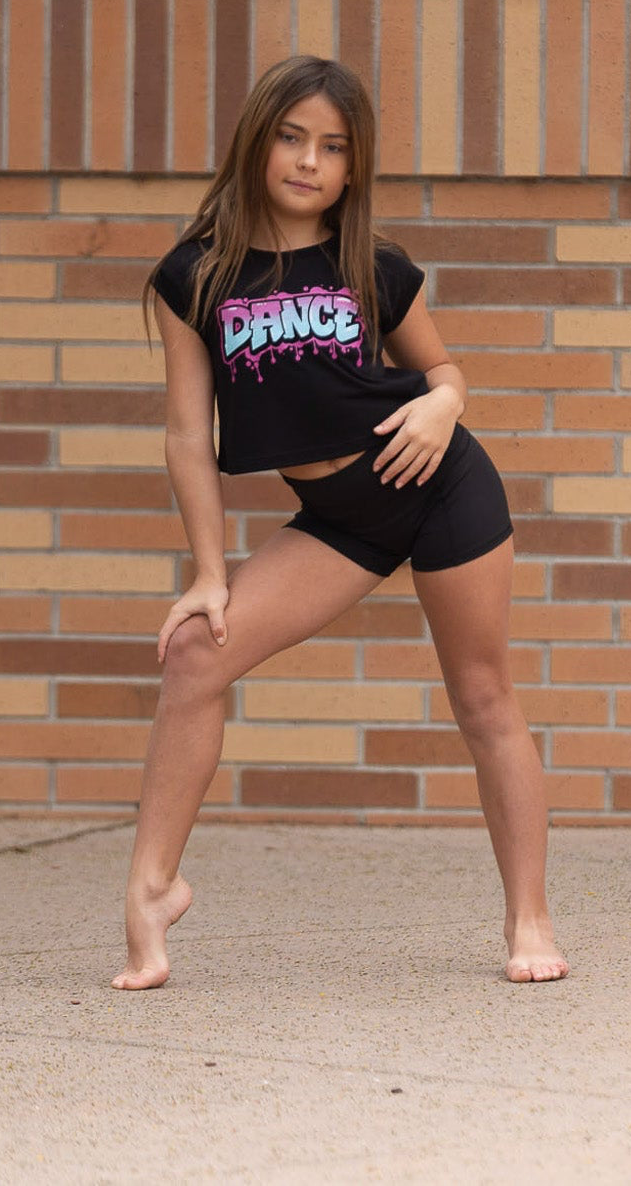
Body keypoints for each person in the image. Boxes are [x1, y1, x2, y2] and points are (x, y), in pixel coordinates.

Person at [113, 55, 568, 989]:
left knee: (483, 698)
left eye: (332, 147)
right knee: (199, 651)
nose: (308, 161)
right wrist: (208, 571)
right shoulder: (193, 276)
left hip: (442, 488)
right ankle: (151, 892)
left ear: (353, 169)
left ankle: (530, 920)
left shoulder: (374, 268)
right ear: (257, 141)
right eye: (291, 137)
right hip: (340, 517)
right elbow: (185, 438)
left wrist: (446, 403)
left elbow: (443, 375)